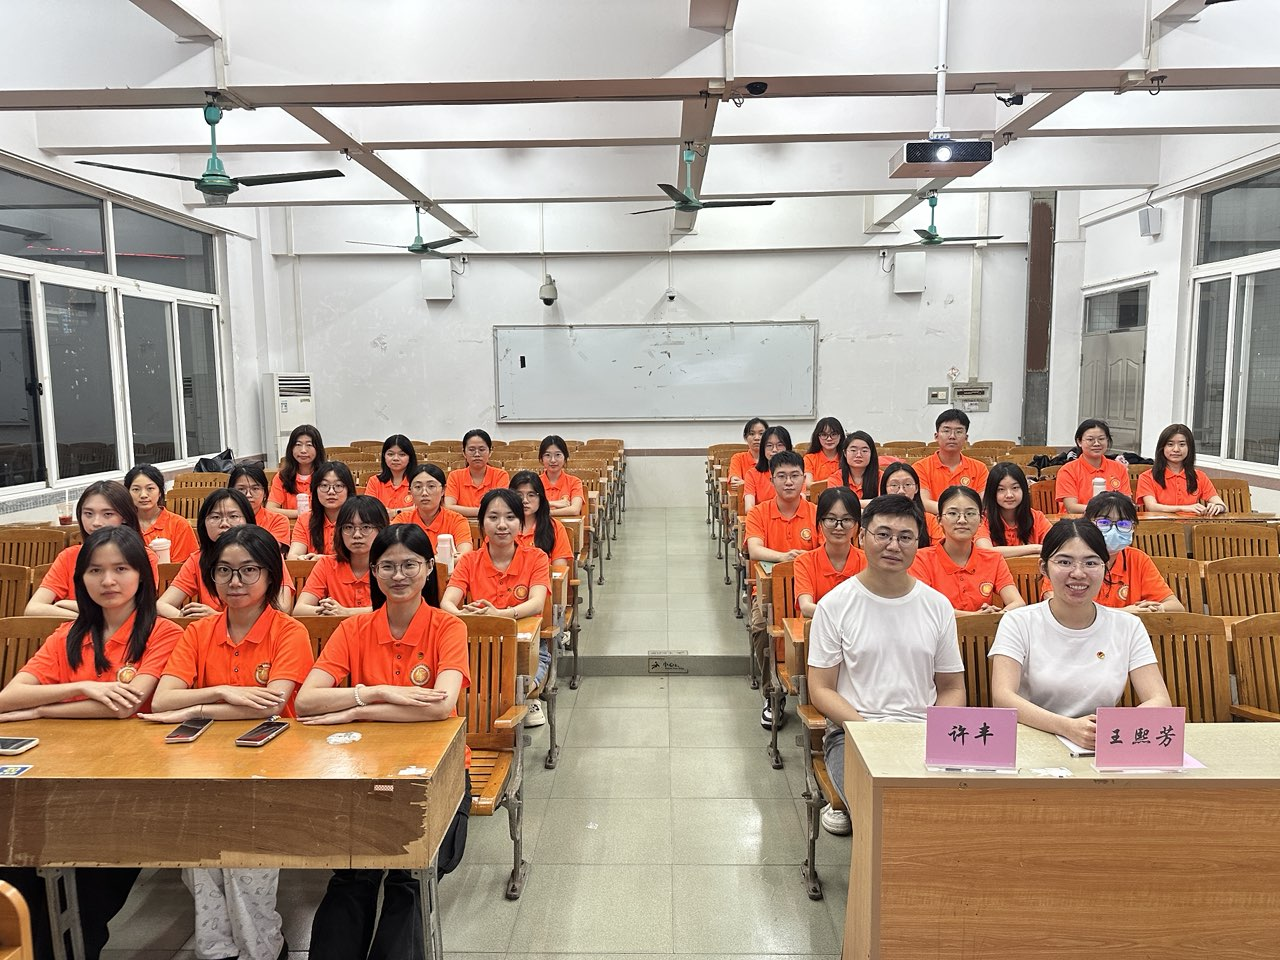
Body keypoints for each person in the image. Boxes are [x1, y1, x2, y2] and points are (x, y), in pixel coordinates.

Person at [0, 526, 181, 960]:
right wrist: (82, 686)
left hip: (129, 787)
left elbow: (126, 705)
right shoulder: (67, 635)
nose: (108, 581)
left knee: (84, 902)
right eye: (95, 571)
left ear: (142, 575)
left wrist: (41, 709)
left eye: (121, 569)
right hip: (58, 781)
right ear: (81, 579)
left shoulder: (163, 633)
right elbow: (7, 698)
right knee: (19, 883)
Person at [296, 524, 473, 960]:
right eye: (387, 566)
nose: (399, 575)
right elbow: (306, 701)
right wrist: (376, 692)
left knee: (409, 880)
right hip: (366, 775)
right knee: (351, 876)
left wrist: (356, 710)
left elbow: (439, 706)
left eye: (410, 565)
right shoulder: (354, 628)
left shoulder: (447, 627)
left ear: (429, 568)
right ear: (373, 572)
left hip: (438, 773)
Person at [142, 524, 313, 960]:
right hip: (205, 765)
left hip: (273, 766)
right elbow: (163, 699)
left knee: (241, 857)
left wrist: (194, 707)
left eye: (248, 570)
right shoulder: (198, 632)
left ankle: (261, 950)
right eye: (224, 571)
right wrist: (222, 693)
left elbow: (270, 705)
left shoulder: (288, 631)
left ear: (270, 575)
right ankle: (217, 949)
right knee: (202, 856)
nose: (235, 582)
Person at [807, 494, 966, 835]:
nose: (894, 545)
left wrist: (935, 731)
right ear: (862, 536)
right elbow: (820, 688)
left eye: (905, 537)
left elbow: (952, 687)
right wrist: (869, 731)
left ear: (918, 543)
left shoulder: (937, 606)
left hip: (923, 732)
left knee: (958, 812)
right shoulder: (835, 606)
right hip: (855, 733)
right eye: (883, 534)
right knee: (885, 815)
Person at [990, 518, 1172, 749]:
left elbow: (1159, 700)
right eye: (1065, 562)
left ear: (1105, 567)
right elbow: (1003, 697)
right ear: (1044, 568)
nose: (1078, 573)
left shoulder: (1128, 625)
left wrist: (1109, 729)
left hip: (1100, 744)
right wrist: (1068, 727)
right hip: (1033, 742)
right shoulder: (1018, 622)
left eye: (1091, 563)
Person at [441, 489, 551, 726]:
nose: (502, 525)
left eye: (510, 517)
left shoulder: (537, 557)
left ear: (520, 523)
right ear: (482, 523)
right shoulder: (469, 560)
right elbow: (446, 602)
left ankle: (527, 698)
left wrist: (500, 615)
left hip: (526, 647)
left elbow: (537, 602)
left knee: (512, 690)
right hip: (481, 647)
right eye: (493, 517)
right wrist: (464, 615)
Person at [744, 449, 820, 729]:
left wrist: (804, 561)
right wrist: (786, 557)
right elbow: (754, 550)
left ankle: (821, 691)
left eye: (795, 475)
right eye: (782, 476)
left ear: (804, 479)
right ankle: (772, 695)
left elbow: (827, 551)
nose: (789, 482)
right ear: (771, 480)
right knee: (760, 627)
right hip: (768, 592)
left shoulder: (817, 513)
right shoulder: (759, 512)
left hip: (812, 591)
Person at [26, 481, 158, 619]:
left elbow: (135, 610)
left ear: (124, 517)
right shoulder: (69, 556)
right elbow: (33, 608)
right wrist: (84, 619)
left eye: (107, 514)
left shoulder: (144, 556)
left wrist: (67, 605)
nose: (96, 522)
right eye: (88, 514)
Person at [157, 489, 293, 619]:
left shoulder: (267, 553)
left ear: (248, 520)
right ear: (204, 523)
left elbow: (282, 607)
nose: (224, 524)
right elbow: (162, 604)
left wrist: (218, 619)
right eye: (215, 517)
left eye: (233, 516)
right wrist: (185, 617)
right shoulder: (198, 559)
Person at [1041, 493, 1183, 613]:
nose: (1113, 530)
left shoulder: (1137, 558)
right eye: (1104, 522)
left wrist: (1157, 608)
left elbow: (1175, 606)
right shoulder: (1067, 556)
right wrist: (1124, 613)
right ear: (1086, 522)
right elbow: (1060, 608)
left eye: (1123, 524)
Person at [909, 486, 1024, 615]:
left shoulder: (994, 559)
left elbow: (1018, 602)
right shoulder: (920, 559)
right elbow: (923, 608)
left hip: (984, 628)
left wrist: (997, 615)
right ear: (939, 520)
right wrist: (974, 617)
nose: (962, 520)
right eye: (953, 513)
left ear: (981, 520)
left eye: (970, 514)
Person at [294, 495, 390, 617]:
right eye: (349, 527)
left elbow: (397, 609)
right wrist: (330, 611)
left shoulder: (391, 566)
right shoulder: (326, 564)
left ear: (381, 529)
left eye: (365, 527)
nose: (357, 535)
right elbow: (299, 610)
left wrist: (346, 612)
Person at [794, 487, 866, 617]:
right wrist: (845, 617)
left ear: (857, 525)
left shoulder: (868, 561)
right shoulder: (804, 562)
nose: (838, 527)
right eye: (831, 519)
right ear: (820, 523)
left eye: (846, 520)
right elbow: (806, 607)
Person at [1137, 423, 1227, 516]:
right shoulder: (1147, 477)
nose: (1176, 449)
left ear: (1189, 448)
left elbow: (1221, 504)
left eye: (1182, 444)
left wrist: (1218, 507)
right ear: (1162, 448)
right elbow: (1152, 506)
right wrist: (1183, 508)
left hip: (1191, 524)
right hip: (1161, 524)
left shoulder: (1199, 476)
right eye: (1170, 444)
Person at [914, 409, 989, 514]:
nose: (952, 436)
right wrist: (954, 513)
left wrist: (956, 513)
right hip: (933, 521)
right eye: (946, 431)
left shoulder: (980, 468)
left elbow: (983, 502)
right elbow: (924, 502)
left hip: (969, 521)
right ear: (936, 436)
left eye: (959, 432)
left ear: (966, 438)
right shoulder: (920, 467)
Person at [392, 463, 474, 557]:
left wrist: (429, 562)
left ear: (443, 490)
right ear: (410, 492)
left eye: (431, 486)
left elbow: (465, 553)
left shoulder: (457, 520)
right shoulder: (402, 520)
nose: (424, 493)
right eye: (418, 487)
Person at [1055, 418, 1132, 514]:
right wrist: (1105, 511)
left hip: (1112, 520)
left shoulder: (1119, 468)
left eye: (1101, 439)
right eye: (1090, 439)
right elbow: (1072, 507)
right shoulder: (1068, 470)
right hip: (1078, 521)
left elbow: (1126, 503)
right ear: (1079, 442)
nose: (1096, 443)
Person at [975, 461, 1052, 558]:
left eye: (1015, 488)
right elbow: (986, 551)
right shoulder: (982, 520)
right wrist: (1035, 548)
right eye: (1001, 489)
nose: (1009, 495)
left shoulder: (1037, 517)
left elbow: (1055, 545)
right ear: (992, 492)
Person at [126, 463, 197, 563]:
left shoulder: (179, 525)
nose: (143, 495)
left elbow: (186, 567)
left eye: (150, 488)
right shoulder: (123, 524)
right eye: (136, 489)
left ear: (160, 492)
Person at [289, 461, 356, 559]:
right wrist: (302, 559)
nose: (331, 492)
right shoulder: (305, 519)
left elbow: (361, 559)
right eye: (324, 485)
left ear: (348, 490)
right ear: (315, 490)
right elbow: (292, 557)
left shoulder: (359, 519)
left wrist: (322, 560)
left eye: (338, 486)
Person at [444, 428, 510, 519]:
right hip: (460, 523)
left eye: (482, 449)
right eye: (472, 450)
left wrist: (465, 510)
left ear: (490, 452)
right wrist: (483, 511)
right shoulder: (455, 476)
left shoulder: (500, 475)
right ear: (464, 453)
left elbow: (500, 507)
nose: (477, 454)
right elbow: (449, 507)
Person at [268, 423, 325, 519]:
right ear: (291, 448)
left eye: (309, 445)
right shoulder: (282, 477)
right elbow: (270, 509)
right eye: (298, 444)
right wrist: (303, 514)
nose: (303, 450)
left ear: (318, 449)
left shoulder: (326, 475)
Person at [230, 463, 291, 549]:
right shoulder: (223, 520)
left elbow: (270, 550)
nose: (248, 495)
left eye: (255, 488)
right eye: (241, 489)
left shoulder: (277, 520)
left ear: (265, 493)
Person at [878, 462, 934, 547]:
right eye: (894, 485)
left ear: (916, 488)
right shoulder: (876, 519)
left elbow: (938, 550)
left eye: (907, 484)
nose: (901, 491)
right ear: (885, 489)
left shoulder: (930, 520)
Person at [363, 434, 418, 516]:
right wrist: (407, 510)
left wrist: (394, 512)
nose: (395, 458)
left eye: (402, 454)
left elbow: (421, 509)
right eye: (390, 454)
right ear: (384, 456)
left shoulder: (418, 481)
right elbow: (368, 510)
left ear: (410, 457)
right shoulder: (374, 481)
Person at [742, 425, 793, 512]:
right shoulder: (752, 474)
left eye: (780, 445)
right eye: (769, 445)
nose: (774, 450)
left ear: (788, 447)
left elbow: (800, 502)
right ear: (763, 449)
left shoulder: (796, 473)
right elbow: (749, 508)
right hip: (762, 518)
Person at [539, 434, 585, 516]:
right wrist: (555, 503)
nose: (553, 460)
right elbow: (529, 508)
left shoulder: (574, 482)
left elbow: (575, 510)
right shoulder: (534, 482)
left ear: (565, 458)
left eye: (558, 455)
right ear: (541, 459)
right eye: (547, 455)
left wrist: (546, 513)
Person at [838, 430, 881, 501]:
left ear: (871, 454)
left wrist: (851, 503)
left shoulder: (881, 477)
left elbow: (883, 503)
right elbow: (837, 503)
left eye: (864, 451)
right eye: (853, 450)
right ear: (845, 453)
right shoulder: (836, 478)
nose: (858, 455)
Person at [727, 418, 768, 490]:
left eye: (761, 434)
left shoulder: (773, 459)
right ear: (745, 437)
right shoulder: (738, 458)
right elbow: (735, 483)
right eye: (752, 434)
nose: (757, 438)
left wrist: (746, 484)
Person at [803, 417, 845, 486]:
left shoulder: (847, 457)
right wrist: (834, 481)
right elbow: (809, 485)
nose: (829, 439)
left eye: (833, 434)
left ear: (840, 436)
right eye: (824, 435)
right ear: (818, 437)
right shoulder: (809, 458)